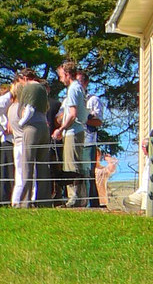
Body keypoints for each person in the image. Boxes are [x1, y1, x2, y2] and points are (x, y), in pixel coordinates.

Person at [52, 60, 87, 207]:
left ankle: (75, 199)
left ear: (67, 74)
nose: (60, 79)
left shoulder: (73, 89)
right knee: (74, 163)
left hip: (73, 131)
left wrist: (61, 129)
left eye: (61, 76)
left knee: (72, 166)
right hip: (76, 131)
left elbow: (72, 114)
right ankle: (80, 198)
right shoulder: (78, 88)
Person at [15, 70, 50, 207]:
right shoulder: (42, 88)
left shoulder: (30, 87)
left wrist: (20, 123)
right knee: (42, 165)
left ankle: (25, 201)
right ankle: (43, 200)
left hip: (32, 128)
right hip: (44, 127)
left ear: (24, 78)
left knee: (27, 165)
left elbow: (29, 109)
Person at [78, 69, 106, 208]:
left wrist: (83, 117)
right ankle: (77, 201)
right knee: (75, 172)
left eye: (80, 82)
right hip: (73, 140)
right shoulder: (69, 99)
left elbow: (99, 121)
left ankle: (91, 203)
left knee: (88, 171)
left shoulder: (93, 100)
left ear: (86, 83)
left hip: (88, 141)